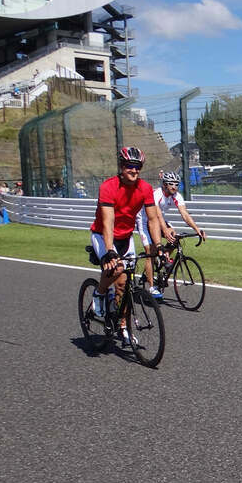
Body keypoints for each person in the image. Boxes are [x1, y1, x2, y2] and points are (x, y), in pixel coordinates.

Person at [89, 146, 165, 345]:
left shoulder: (145, 188)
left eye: (138, 166)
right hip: (103, 235)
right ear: (122, 166)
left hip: (126, 237)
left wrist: (159, 245)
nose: (134, 170)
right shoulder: (108, 187)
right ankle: (99, 292)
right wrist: (109, 251)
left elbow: (153, 219)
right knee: (116, 268)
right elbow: (107, 222)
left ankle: (123, 327)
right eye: (130, 166)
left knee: (125, 284)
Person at [135, 170, 206, 298]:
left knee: (175, 237)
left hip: (159, 219)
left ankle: (164, 257)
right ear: (164, 185)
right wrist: (165, 230)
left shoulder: (177, 196)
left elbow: (184, 214)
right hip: (145, 220)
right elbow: (156, 215)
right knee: (150, 251)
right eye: (171, 184)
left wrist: (197, 229)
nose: (174, 187)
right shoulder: (156, 194)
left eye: (176, 184)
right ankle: (151, 287)